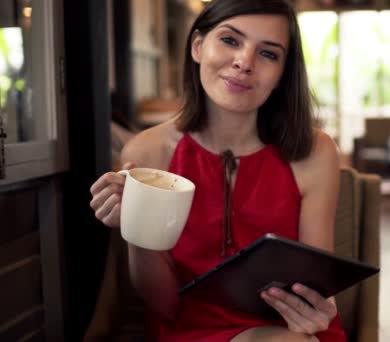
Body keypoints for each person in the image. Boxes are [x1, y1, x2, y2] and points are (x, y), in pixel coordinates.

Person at [89, 1, 345, 341]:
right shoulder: (147, 152)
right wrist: (135, 227)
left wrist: (318, 307)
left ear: (283, 73)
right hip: (190, 331)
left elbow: (314, 285)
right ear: (198, 46)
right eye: (230, 40)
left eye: (268, 54)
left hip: (291, 329)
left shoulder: (315, 152)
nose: (244, 62)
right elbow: (163, 306)